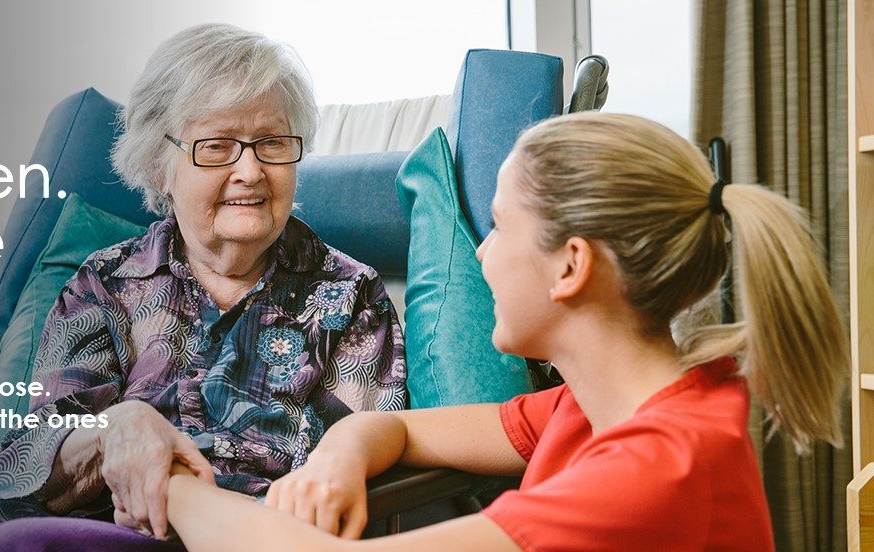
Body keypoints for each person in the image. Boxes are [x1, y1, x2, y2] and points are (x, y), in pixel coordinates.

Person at [0, 23, 405, 552]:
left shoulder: (350, 297)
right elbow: (24, 461)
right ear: (159, 163)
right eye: (218, 146)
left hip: (226, 534)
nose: (251, 170)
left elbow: (359, 475)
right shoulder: (107, 283)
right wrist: (114, 428)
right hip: (68, 517)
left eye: (273, 144)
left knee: (26, 546)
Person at [163, 112, 848, 551]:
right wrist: (338, 460)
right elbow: (396, 430)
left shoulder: (657, 469)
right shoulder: (600, 404)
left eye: (499, 227)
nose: (482, 254)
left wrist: (169, 487)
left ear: (571, 266)